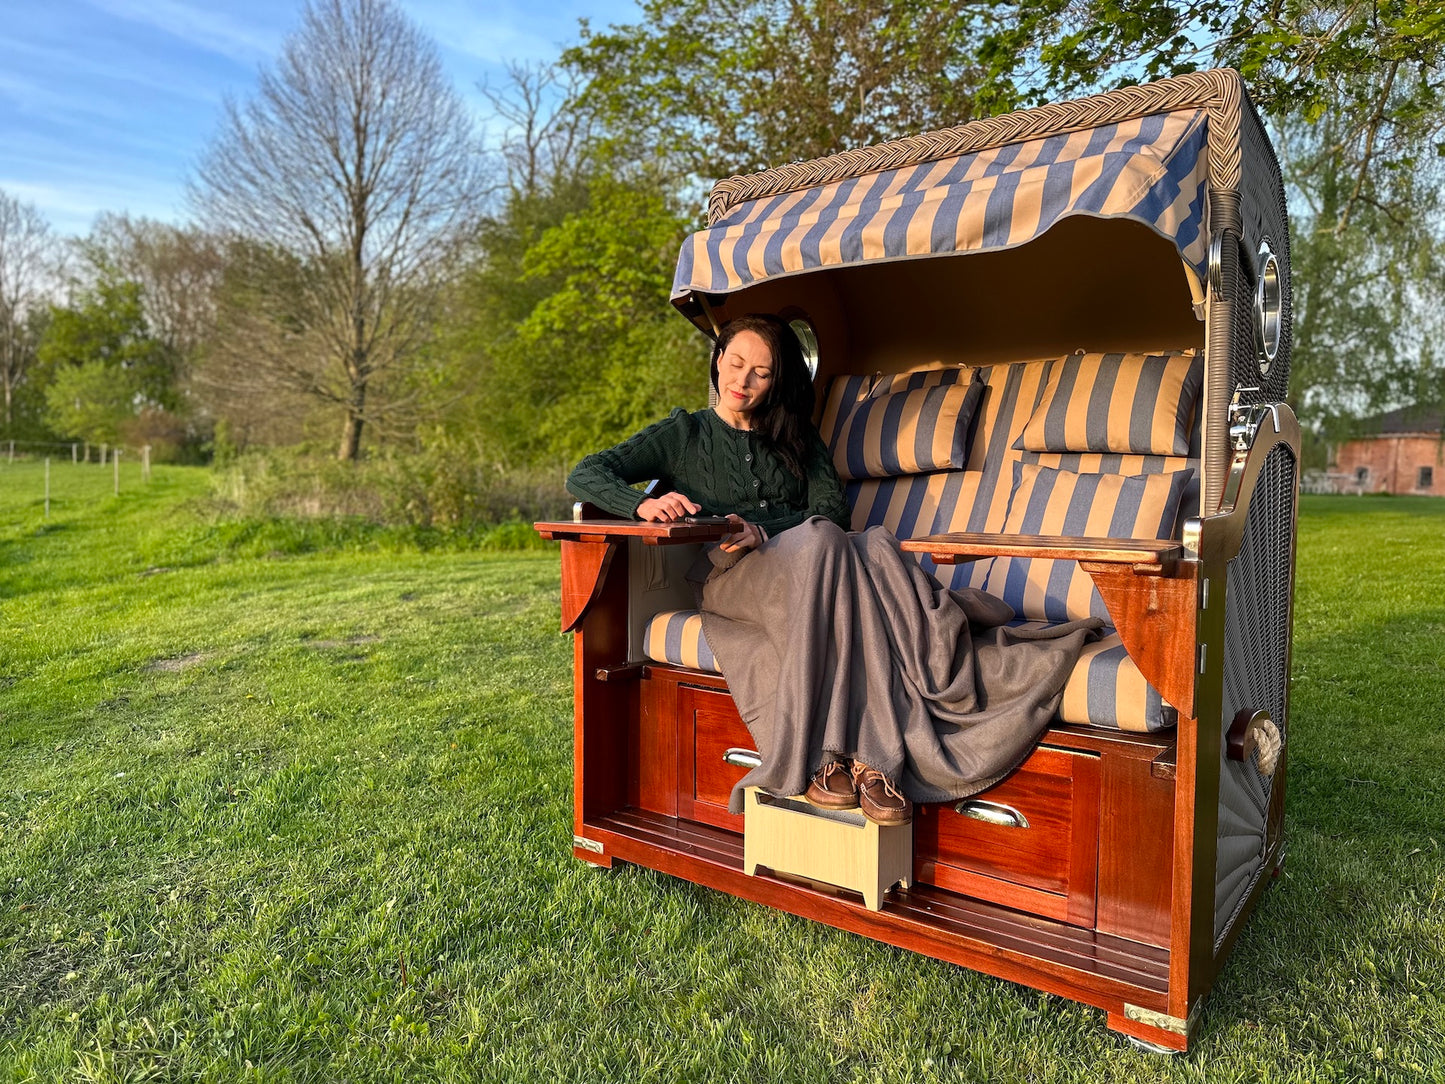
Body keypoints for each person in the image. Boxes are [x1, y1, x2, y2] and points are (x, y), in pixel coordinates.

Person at [565, 313, 911, 824]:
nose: (742, 381)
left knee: (841, 543)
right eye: (735, 362)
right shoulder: (683, 433)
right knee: (829, 549)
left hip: (809, 570)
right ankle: (858, 758)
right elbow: (585, 473)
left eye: (761, 372)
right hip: (728, 578)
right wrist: (639, 505)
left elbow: (833, 511)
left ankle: (847, 761)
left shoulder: (796, 436)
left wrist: (764, 529)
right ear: (718, 358)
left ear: (778, 381)